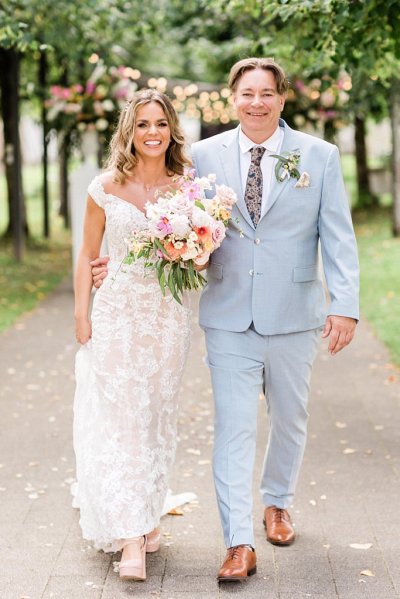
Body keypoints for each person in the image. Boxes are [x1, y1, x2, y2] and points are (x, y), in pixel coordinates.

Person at [92, 58, 359, 582]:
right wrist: (117, 259)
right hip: (228, 314)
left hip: (293, 313)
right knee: (233, 430)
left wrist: (344, 304)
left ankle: (277, 501)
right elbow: (165, 217)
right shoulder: (203, 157)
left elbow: (339, 235)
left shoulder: (318, 156)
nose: (256, 102)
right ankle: (238, 542)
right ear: (233, 99)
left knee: (289, 418)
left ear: (282, 98)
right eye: (246, 93)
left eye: (266, 93)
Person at [73, 89, 192, 582]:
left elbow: (199, 255)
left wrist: (197, 251)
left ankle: (147, 516)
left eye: (160, 124)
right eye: (142, 124)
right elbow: (87, 254)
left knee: (155, 417)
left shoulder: (187, 188)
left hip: (168, 317)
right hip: (118, 312)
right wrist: (82, 314)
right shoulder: (104, 187)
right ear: (129, 131)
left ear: (171, 131)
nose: (152, 133)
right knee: (123, 417)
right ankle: (130, 539)